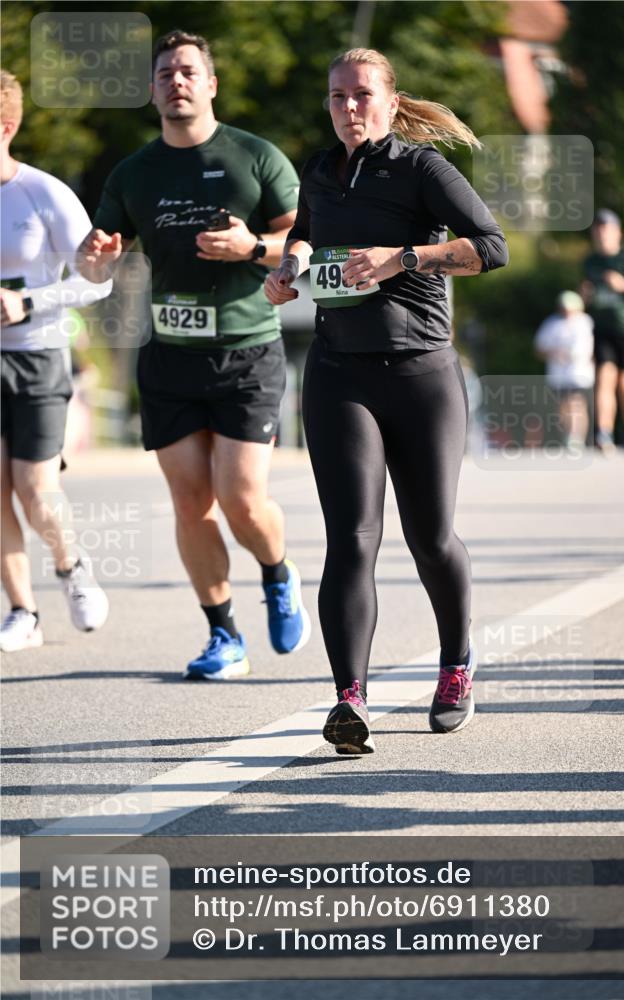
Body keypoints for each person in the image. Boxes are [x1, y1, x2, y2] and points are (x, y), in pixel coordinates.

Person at [265, 48, 508, 753]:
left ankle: (456, 662)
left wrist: (401, 257)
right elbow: (306, 231)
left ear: (389, 100)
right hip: (339, 371)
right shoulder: (319, 169)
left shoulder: (422, 170)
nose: (348, 107)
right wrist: (288, 266)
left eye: (361, 94)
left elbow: (491, 248)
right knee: (351, 539)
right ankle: (350, 700)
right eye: (337, 96)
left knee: (428, 536)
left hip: (420, 375)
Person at [77, 31, 309, 679]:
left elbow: (302, 239)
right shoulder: (133, 173)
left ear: (210, 84)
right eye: (164, 74)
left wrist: (253, 251)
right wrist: (93, 262)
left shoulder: (254, 157)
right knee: (190, 505)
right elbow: (98, 267)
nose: (175, 81)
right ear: (152, 90)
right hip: (170, 357)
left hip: (245, 349)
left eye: (187, 71)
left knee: (241, 499)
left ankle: (277, 571)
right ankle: (223, 635)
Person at [0, 69, 110, 653]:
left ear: (6, 125)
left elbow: (98, 284)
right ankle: (23, 610)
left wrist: (28, 301)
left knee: (34, 488)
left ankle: (71, 567)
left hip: (37, 354)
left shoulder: (43, 193)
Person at [580, 209, 624, 455]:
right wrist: (585, 296)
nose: (602, 233)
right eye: (598, 228)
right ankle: (604, 432)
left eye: (606, 228)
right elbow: (583, 296)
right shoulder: (590, 261)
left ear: (617, 232)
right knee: (604, 377)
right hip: (601, 328)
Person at [534, 290, 594, 452]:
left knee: (576, 404)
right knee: (562, 406)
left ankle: (577, 437)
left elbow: (588, 349)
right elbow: (540, 348)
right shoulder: (552, 323)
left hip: (578, 373)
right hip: (558, 374)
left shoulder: (585, 322)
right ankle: (568, 436)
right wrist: (554, 353)